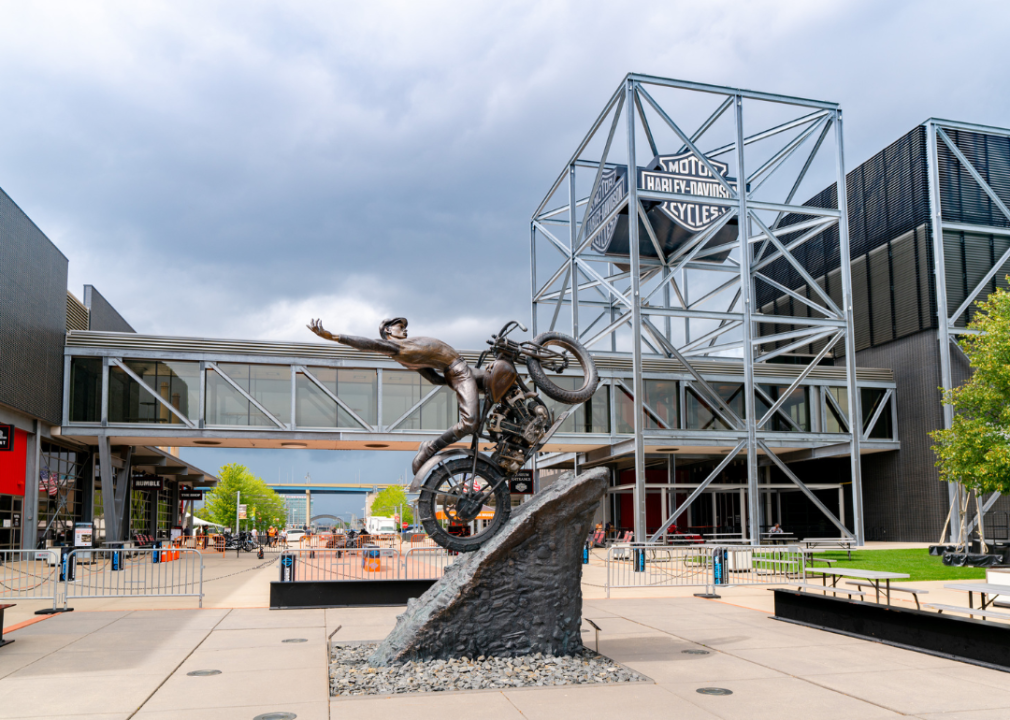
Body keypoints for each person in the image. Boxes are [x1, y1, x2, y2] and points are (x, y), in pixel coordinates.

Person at [308, 317, 482, 475]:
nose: (405, 330)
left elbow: (435, 379)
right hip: (460, 372)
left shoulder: (410, 349)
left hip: (460, 372)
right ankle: (431, 448)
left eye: (405, 327)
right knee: (470, 422)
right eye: (400, 327)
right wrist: (334, 337)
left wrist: (459, 383)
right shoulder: (397, 348)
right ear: (388, 331)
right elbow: (369, 343)